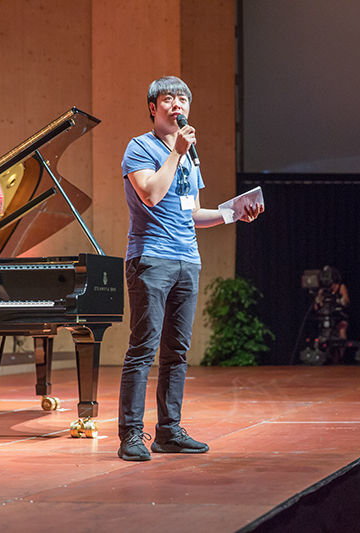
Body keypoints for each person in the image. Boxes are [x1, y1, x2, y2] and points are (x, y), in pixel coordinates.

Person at [118, 76, 263, 461]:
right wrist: (175, 153)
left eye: (183, 98)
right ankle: (132, 434)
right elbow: (150, 194)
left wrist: (235, 214)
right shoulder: (140, 147)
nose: (177, 104)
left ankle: (169, 431)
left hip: (187, 259)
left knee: (177, 351)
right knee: (143, 348)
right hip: (151, 258)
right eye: (169, 98)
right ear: (154, 107)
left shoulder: (190, 157)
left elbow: (192, 212)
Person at [312, 266, 350, 364]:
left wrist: (339, 301)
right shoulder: (322, 290)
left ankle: (341, 355)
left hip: (339, 315)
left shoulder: (340, 287)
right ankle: (322, 355)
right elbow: (316, 306)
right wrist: (318, 301)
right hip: (326, 316)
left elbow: (346, 301)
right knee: (323, 330)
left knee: (342, 328)